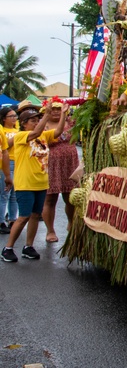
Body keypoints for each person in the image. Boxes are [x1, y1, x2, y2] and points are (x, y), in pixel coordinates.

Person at [1, 103, 68, 262]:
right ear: (24, 124)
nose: (37, 123)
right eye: (33, 121)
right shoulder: (20, 137)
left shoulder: (43, 136)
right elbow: (37, 131)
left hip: (41, 183)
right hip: (26, 183)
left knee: (35, 215)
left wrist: (64, 114)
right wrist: (46, 115)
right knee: (23, 216)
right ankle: (8, 248)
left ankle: (28, 246)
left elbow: (58, 132)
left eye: (37, 120)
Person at [41, 101, 79, 243]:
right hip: (51, 164)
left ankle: (71, 223)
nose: (56, 112)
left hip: (70, 163)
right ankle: (50, 230)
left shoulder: (71, 122)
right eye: (53, 109)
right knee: (50, 198)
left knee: (71, 197)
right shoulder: (42, 125)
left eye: (59, 109)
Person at [0, 106, 18, 234]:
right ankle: (1, 221)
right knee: (5, 193)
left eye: (15, 116)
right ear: (4, 118)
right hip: (6, 163)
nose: (14, 118)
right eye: (11, 116)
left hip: (19, 162)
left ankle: (13, 219)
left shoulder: (18, 130)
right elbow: (6, 146)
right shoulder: (2, 130)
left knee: (15, 194)